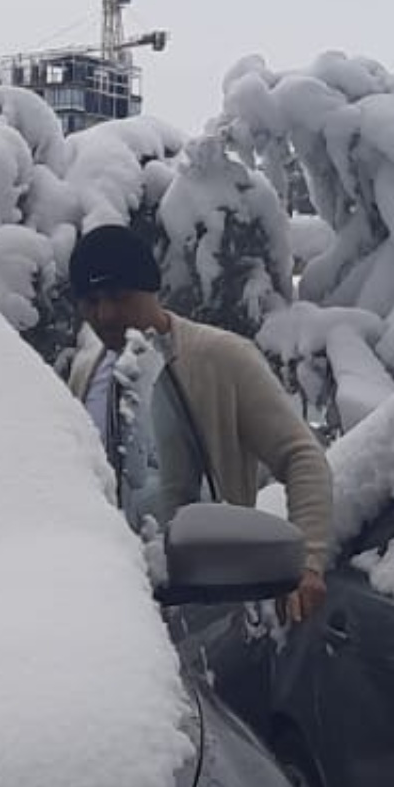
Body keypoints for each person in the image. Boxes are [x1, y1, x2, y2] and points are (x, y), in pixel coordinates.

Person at [66, 225, 332, 622]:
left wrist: (309, 562)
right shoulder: (87, 371)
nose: (104, 314)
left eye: (119, 297)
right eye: (90, 301)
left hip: (210, 608)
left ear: (150, 289)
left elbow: (301, 455)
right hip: (110, 605)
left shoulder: (221, 357)